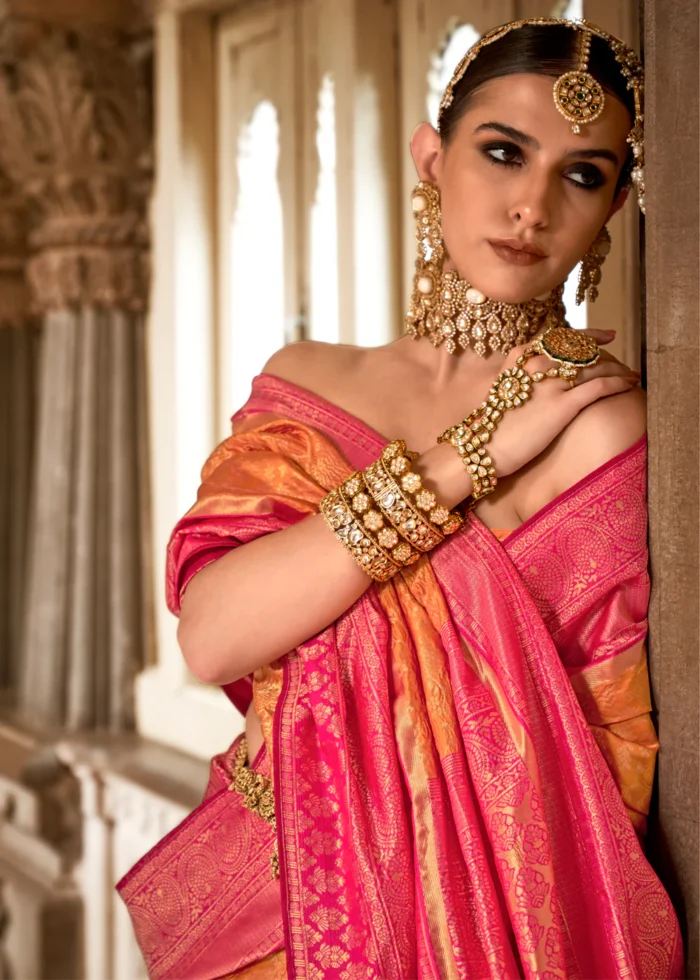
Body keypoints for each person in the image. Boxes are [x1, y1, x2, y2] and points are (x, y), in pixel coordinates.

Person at [118, 18, 683, 980]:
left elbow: (601, 753)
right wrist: (465, 463)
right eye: (503, 152)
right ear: (431, 157)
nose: (532, 204)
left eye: (581, 175)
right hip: (277, 900)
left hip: (488, 935)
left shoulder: (601, 426)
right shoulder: (307, 385)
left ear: (617, 204)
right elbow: (214, 633)